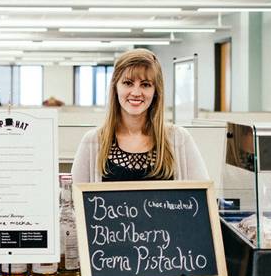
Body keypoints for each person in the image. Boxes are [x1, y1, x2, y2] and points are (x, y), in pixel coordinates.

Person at [72, 49, 208, 183]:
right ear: (115, 87)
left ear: (155, 91)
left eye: (145, 84)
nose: (136, 92)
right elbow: (74, 199)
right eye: (128, 83)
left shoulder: (178, 139)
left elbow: (202, 198)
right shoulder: (93, 141)